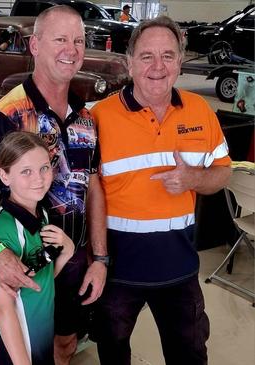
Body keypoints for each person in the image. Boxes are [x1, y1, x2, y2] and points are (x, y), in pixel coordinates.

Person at [0, 5, 108, 365]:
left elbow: (95, 187)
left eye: (79, 40)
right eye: (60, 39)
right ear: (35, 45)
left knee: (65, 345)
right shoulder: (5, 113)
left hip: (70, 258)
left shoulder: (85, 117)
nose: (71, 49)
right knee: (20, 345)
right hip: (25, 258)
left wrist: (99, 258)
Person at [90, 16, 232, 365]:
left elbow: (223, 172)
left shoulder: (202, 111)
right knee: (112, 353)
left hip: (180, 269)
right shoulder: (98, 117)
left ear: (180, 63)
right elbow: (86, 192)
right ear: (129, 62)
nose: (158, 66)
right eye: (147, 56)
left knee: (190, 355)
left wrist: (193, 180)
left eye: (168, 56)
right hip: (117, 272)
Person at [0, 131, 75, 365]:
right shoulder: (6, 228)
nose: (39, 179)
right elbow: (4, 308)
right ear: (4, 175)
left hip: (37, 335)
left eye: (44, 168)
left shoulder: (39, 213)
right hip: (11, 348)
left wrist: (68, 250)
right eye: (26, 171)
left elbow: (41, 280)